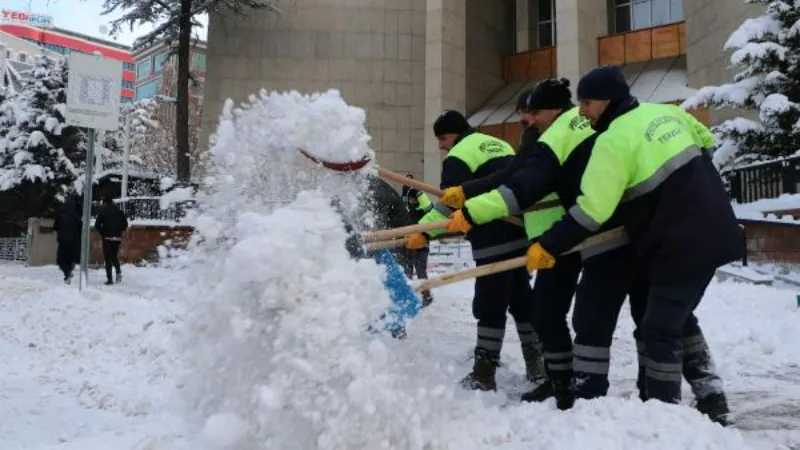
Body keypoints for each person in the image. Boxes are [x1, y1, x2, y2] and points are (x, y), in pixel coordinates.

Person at [523, 65, 742, 420]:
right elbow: (706, 141)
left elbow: (591, 212)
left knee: (659, 328)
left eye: (588, 103)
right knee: (675, 318)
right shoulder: (667, 112)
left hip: (678, 243)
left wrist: (548, 244)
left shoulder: (613, 140)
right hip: (716, 227)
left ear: (608, 102)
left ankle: (663, 417)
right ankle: (712, 399)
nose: (581, 111)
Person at [439, 79, 594, 409]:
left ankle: (491, 373)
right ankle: (547, 374)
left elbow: (516, 184)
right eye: (525, 114)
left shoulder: (459, 155)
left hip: (551, 231)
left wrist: (436, 224)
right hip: (536, 234)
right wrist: (470, 195)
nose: (528, 119)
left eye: (530, 113)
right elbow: (512, 174)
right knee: (533, 306)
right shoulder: (501, 142)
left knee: (502, 305)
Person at [405, 109, 545, 391]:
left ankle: (484, 374)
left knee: (489, 304)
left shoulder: (459, 156)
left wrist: (423, 231)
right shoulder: (500, 144)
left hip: (491, 237)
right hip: (519, 233)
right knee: (521, 302)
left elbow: (449, 203)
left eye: (442, 138)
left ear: (454, 134)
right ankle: (537, 366)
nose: (441, 145)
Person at [336, 173, 415, 339]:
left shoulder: (371, 191)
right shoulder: (360, 189)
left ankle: (390, 333)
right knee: (386, 291)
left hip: (390, 247)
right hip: (385, 246)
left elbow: (373, 226)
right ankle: (387, 331)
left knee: (389, 291)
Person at [401, 174, 434, 307]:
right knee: (407, 273)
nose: (413, 201)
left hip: (421, 247)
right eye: (411, 198)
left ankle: (426, 296)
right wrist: (405, 190)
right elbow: (401, 205)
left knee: (421, 273)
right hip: (408, 246)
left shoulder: (424, 211)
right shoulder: (407, 210)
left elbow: (430, 207)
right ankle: (408, 296)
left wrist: (419, 192)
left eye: (415, 198)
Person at [94, 195, 128, 285]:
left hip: (107, 238)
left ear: (105, 203)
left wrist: (103, 232)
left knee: (108, 258)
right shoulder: (119, 212)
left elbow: (97, 225)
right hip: (117, 238)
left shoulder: (103, 211)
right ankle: (118, 272)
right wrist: (119, 230)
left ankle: (110, 280)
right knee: (114, 256)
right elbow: (125, 224)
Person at [53, 194, 82, 284]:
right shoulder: (77, 216)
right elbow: (80, 228)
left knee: (61, 259)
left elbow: (55, 227)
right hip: (74, 241)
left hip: (63, 241)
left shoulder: (60, 215)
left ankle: (67, 274)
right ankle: (68, 273)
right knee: (70, 258)